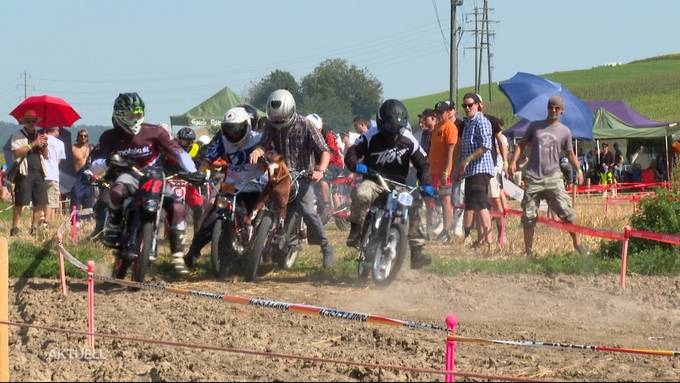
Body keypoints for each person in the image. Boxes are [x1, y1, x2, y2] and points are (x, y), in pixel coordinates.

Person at [85, 93, 202, 274]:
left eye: (139, 115)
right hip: (129, 175)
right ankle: (114, 227)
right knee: (116, 191)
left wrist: (194, 173)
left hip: (154, 176)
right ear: (120, 115)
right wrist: (109, 162)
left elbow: (179, 153)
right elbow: (94, 165)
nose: (136, 119)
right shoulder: (110, 137)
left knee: (178, 207)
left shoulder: (155, 132)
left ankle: (178, 255)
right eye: (131, 115)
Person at [248, 89, 335, 268]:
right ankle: (252, 244)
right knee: (264, 201)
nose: (278, 123)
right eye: (275, 119)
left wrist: (321, 170)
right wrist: (258, 150)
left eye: (281, 119)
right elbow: (263, 144)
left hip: (303, 177)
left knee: (309, 212)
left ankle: (326, 247)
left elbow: (324, 150)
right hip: (280, 175)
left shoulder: (306, 125)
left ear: (291, 111)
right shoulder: (270, 126)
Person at [344, 99, 435, 269]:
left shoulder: (409, 140)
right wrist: (355, 165)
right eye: (389, 127)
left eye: (397, 128)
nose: (393, 131)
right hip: (374, 180)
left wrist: (427, 184)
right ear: (381, 122)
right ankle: (355, 229)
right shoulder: (371, 135)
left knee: (418, 206)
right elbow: (352, 153)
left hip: (399, 185)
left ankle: (417, 252)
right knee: (360, 193)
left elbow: (423, 164)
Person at [184, 107, 265, 268]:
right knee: (212, 217)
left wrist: (262, 152)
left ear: (247, 125)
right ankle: (193, 252)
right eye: (228, 130)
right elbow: (208, 158)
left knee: (251, 218)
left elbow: (275, 153)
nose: (233, 134)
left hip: (256, 186)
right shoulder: (223, 140)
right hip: (230, 186)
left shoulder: (259, 138)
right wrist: (200, 173)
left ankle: (257, 250)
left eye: (236, 130)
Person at [508, 95, 585, 257]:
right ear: (547, 108)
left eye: (557, 108)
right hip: (533, 176)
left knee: (566, 211)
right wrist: (513, 162)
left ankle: (577, 243)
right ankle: (528, 252)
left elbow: (570, 154)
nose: (553, 110)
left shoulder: (565, 131)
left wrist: (578, 170)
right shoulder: (535, 126)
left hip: (553, 177)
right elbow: (521, 145)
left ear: (562, 111)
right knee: (528, 216)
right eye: (550, 107)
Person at [456, 93, 495, 251]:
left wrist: (467, 160)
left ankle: (489, 241)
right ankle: (480, 240)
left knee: (481, 204)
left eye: (470, 105)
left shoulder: (482, 121)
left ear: (478, 105)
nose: (467, 108)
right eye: (464, 105)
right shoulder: (468, 124)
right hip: (471, 171)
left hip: (481, 168)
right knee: (473, 205)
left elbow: (485, 146)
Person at [9, 110, 49, 236]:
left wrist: (45, 145)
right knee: (20, 201)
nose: (31, 123)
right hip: (24, 171)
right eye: (28, 121)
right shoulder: (18, 135)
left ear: (36, 122)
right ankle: (15, 228)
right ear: (24, 122)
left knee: (40, 201)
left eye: (33, 121)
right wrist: (34, 144)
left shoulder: (40, 135)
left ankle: (34, 228)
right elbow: (16, 153)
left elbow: (46, 155)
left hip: (39, 171)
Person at [427, 101, 458, 242]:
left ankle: (447, 231)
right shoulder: (437, 127)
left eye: (441, 112)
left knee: (446, 200)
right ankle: (438, 228)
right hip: (434, 170)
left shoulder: (450, 128)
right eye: (437, 113)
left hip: (444, 172)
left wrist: (447, 170)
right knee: (436, 200)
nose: (439, 115)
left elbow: (451, 152)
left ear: (448, 112)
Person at [307, 113, 344, 224]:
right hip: (321, 164)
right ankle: (318, 202)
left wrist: (321, 166)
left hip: (335, 163)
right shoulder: (309, 136)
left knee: (323, 179)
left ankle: (327, 206)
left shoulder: (328, 134)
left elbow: (331, 152)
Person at [486, 115, 509, 243]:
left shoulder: (502, 138)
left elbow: (503, 149)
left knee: (498, 195)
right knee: (489, 200)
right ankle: (487, 236)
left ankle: (502, 232)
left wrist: (505, 162)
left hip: (497, 168)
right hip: (486, 168)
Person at [44, 126, 66, 223]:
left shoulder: (41, 138)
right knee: (51, 202)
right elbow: (59, 161)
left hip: (40, 173)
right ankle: (46, 222)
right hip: (53, 174)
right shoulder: (60, 143)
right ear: (56, 130)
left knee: (40, 200)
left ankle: (39, 220)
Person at [71, 128, 95, 214]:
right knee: (76, 202)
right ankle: (74, 223)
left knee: (89, 203)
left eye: (85, 136)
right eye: (81, 136)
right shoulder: (73, 148)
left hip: (88, 177)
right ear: (78, 137)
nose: (83, 137)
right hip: (77, 177)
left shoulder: (91, 148)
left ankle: (86, 222)